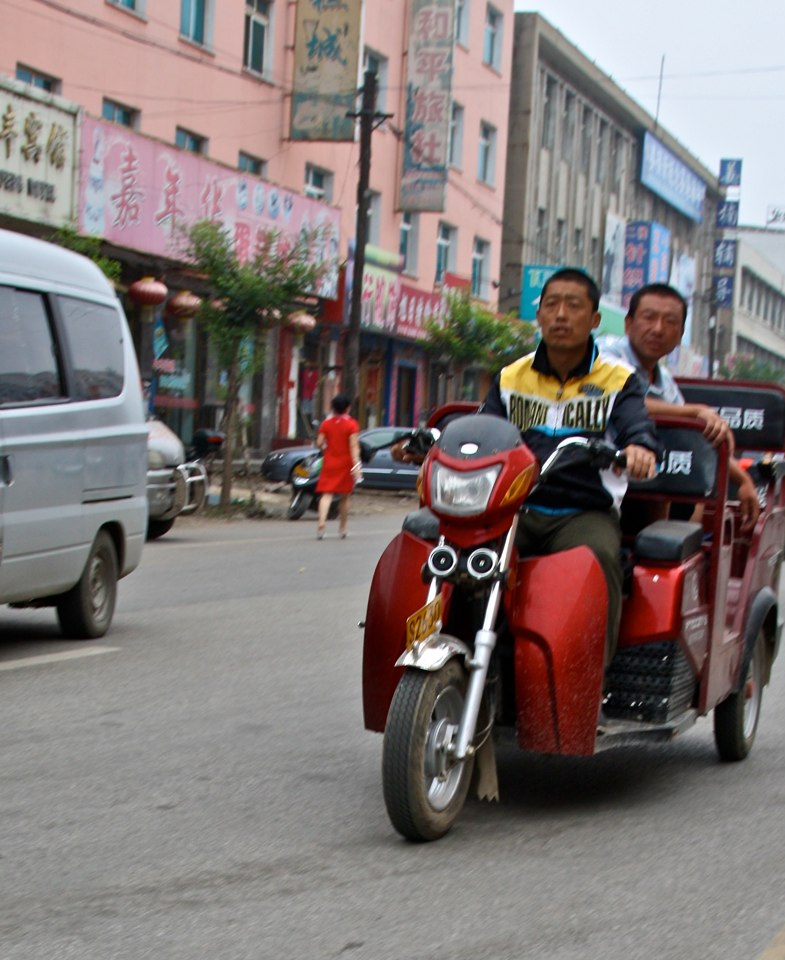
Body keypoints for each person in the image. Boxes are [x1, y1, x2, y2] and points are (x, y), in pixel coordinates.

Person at [397, 268, 658, 668]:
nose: (560, 315)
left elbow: (637, 425)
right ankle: (457, 665)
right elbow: (481, 430)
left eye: (573, 306)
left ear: (593, 320)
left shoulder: (618, 381)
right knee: (458, 562)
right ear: (539, 315)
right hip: (513, 508)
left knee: (599, 560)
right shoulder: (510, 376)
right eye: (551, 304)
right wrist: (429, 446)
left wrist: (639, 448)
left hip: (582, 511)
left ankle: (590, 684)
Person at [599, 282, 760, 531]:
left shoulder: (666, 384)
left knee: (692, 488)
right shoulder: (606, 356)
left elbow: (690, 439)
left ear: (681, 333)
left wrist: (743, 480)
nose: (658, 328)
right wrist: (695, 411)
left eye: (670, 322)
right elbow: (621, 403)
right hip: (597, 478)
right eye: (649, 317)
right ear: (628, 324)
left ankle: (668, 560)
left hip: (644, 485)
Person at [315, 393, 361, 540]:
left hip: (329, 462)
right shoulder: (351, 424)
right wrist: (356, 464)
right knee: (344, 497)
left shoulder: (326, 424)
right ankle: (342, 528)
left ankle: (322, 523)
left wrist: (325, 451)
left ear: (333, 407)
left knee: (326, 495)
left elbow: (319, 443)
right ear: (348, 408)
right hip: (345, 463)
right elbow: (353, 445)